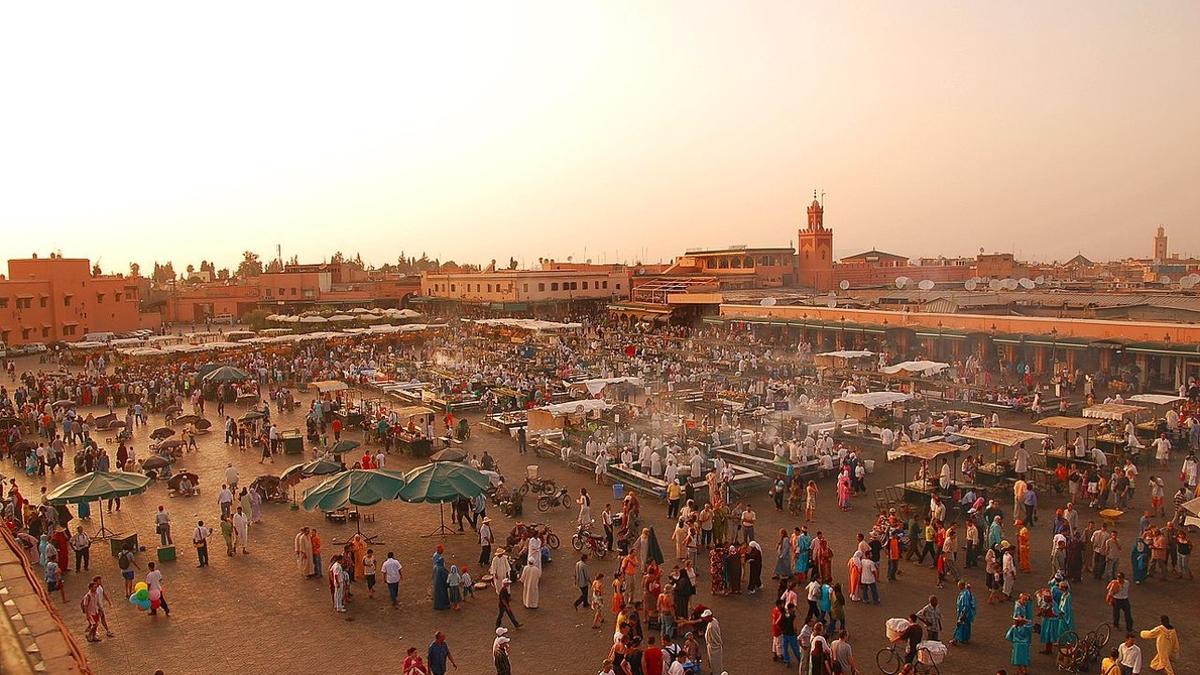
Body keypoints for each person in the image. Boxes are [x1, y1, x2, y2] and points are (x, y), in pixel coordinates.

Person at [951, 581, 976, 645]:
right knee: (966, 626)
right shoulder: (966, 593)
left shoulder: (964, 594)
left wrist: (963, 615)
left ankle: (956, 639)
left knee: (960, 626)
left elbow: (966, 605)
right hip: (966, 613)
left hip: (964, 613)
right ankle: (964, 639)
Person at [702, 609, 723, 674]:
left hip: (713, 647)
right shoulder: (714, 621)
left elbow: (715, 638)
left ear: (709, 616)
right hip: (713, 646)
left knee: (715, 663)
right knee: (714, 662)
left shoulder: (712, 626)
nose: (704, 619)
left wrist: (711, 644)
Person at [432, 545, 450, 610]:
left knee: (437, 593)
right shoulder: (440, 568)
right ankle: (442, 605)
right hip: (440, 583)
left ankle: (437, 604)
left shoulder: (437, 567)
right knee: (441, 594)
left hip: (437, 580)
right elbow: (444, 577)